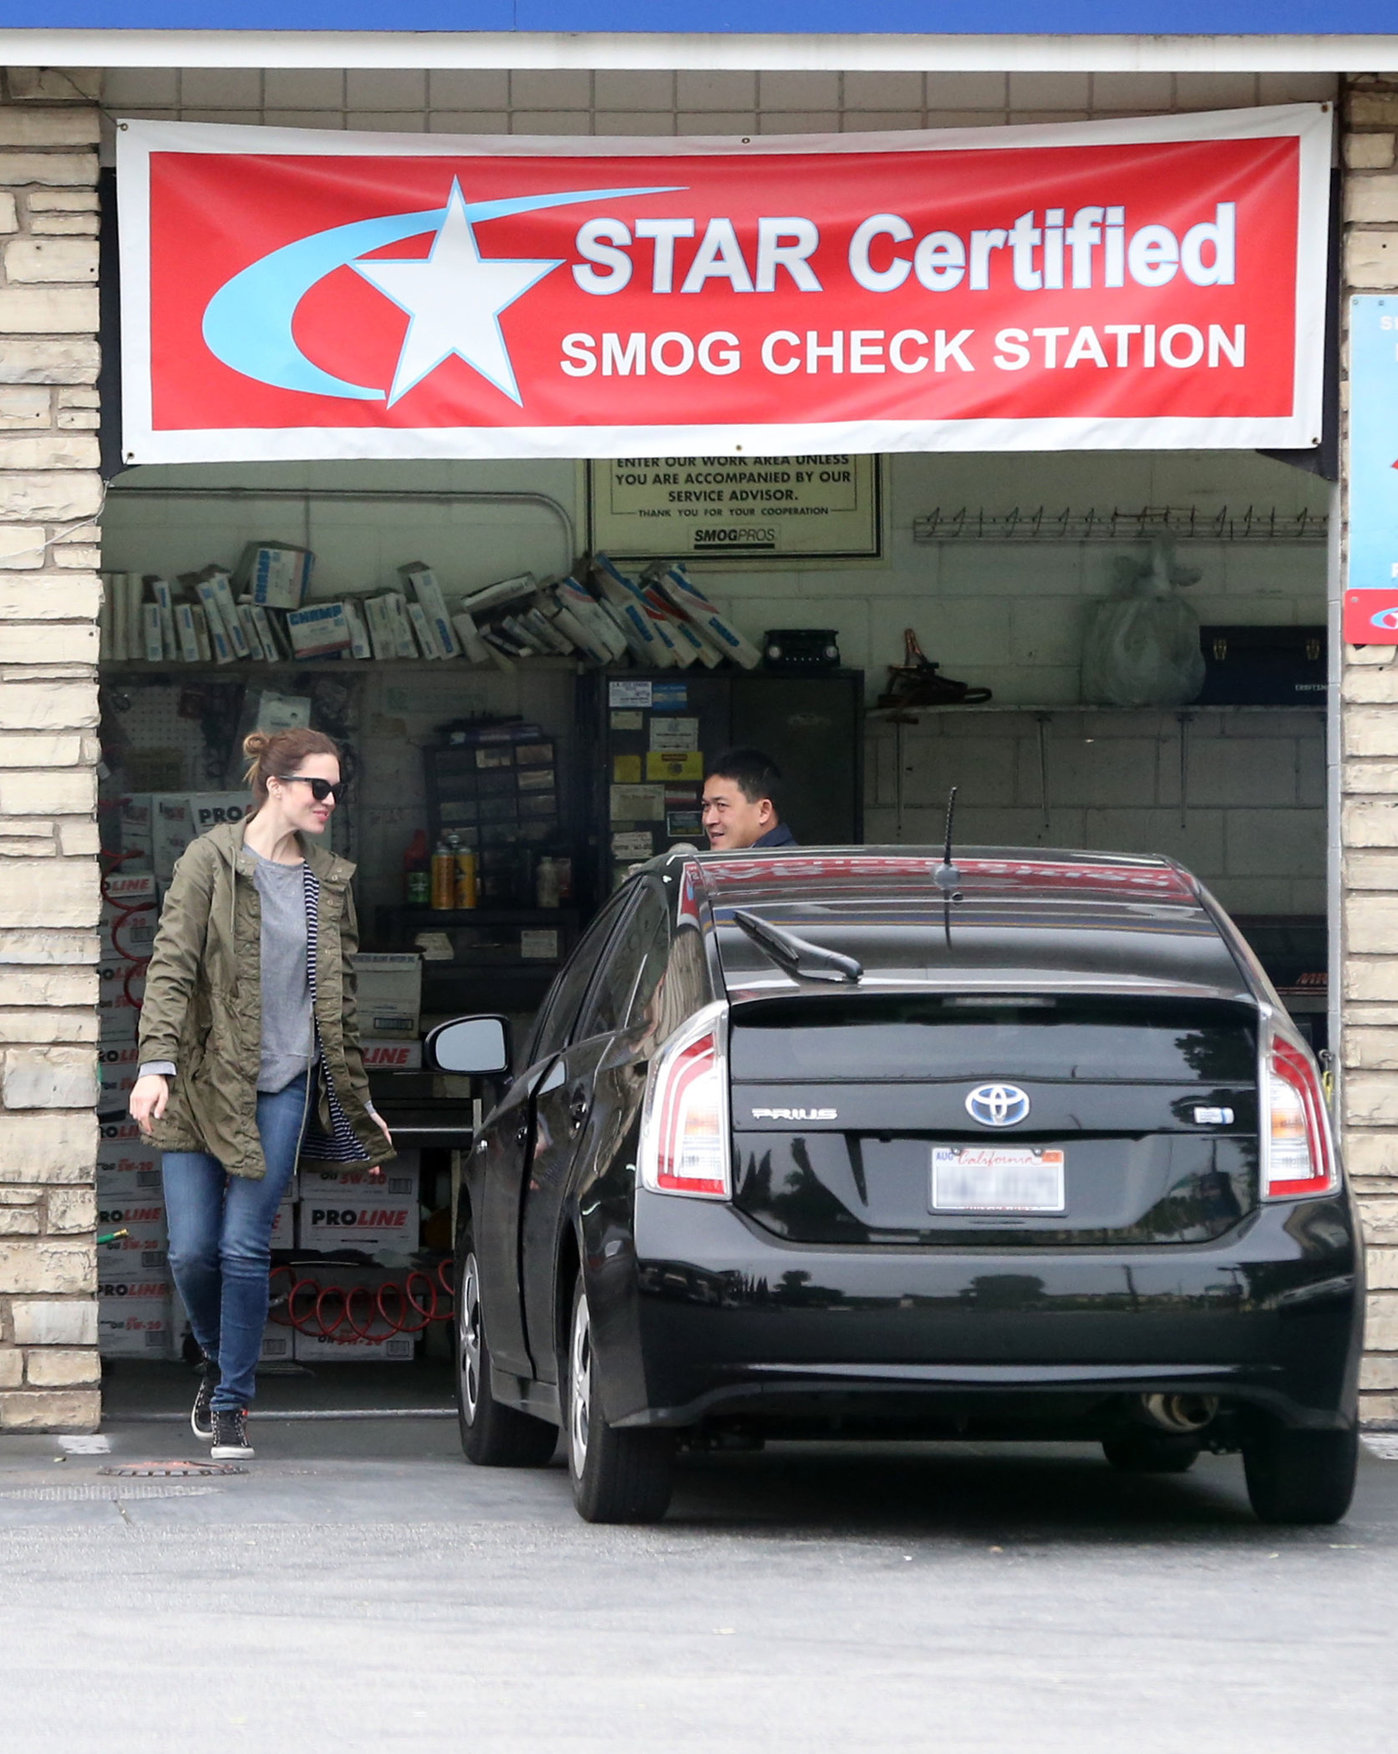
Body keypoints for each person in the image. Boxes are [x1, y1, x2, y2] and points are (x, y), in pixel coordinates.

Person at [128, 728, 394, 1461]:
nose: (331, 801)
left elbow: (339, 999)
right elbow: (171, 966)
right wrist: (155, 1064)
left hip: (283, 1081)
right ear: (275, 786)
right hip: (199, 1080)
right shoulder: (209, 861)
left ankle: (233, 1402)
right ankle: (216, 1359)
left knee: (244, 1247)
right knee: (191, 1252)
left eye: (338, 788)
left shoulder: (329, 880)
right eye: (319, 787)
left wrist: (357, 1095)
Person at [701, 747, 798, 850]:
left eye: (722, 805)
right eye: (706, 806)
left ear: (763, 811)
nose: (708, 820)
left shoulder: (785, 865)